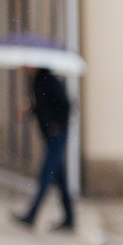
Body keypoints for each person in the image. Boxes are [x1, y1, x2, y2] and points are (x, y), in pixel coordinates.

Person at [13, 67, 75, 231]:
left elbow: (66, 105)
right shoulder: (37, 81)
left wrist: (55, 124)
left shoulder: (49, 80)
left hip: (56, 135)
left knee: (46, 174)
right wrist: (29, 111)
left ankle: (32, 215)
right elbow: (43, 106)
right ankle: (69, 218)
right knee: (60, 178)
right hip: (50, 135)